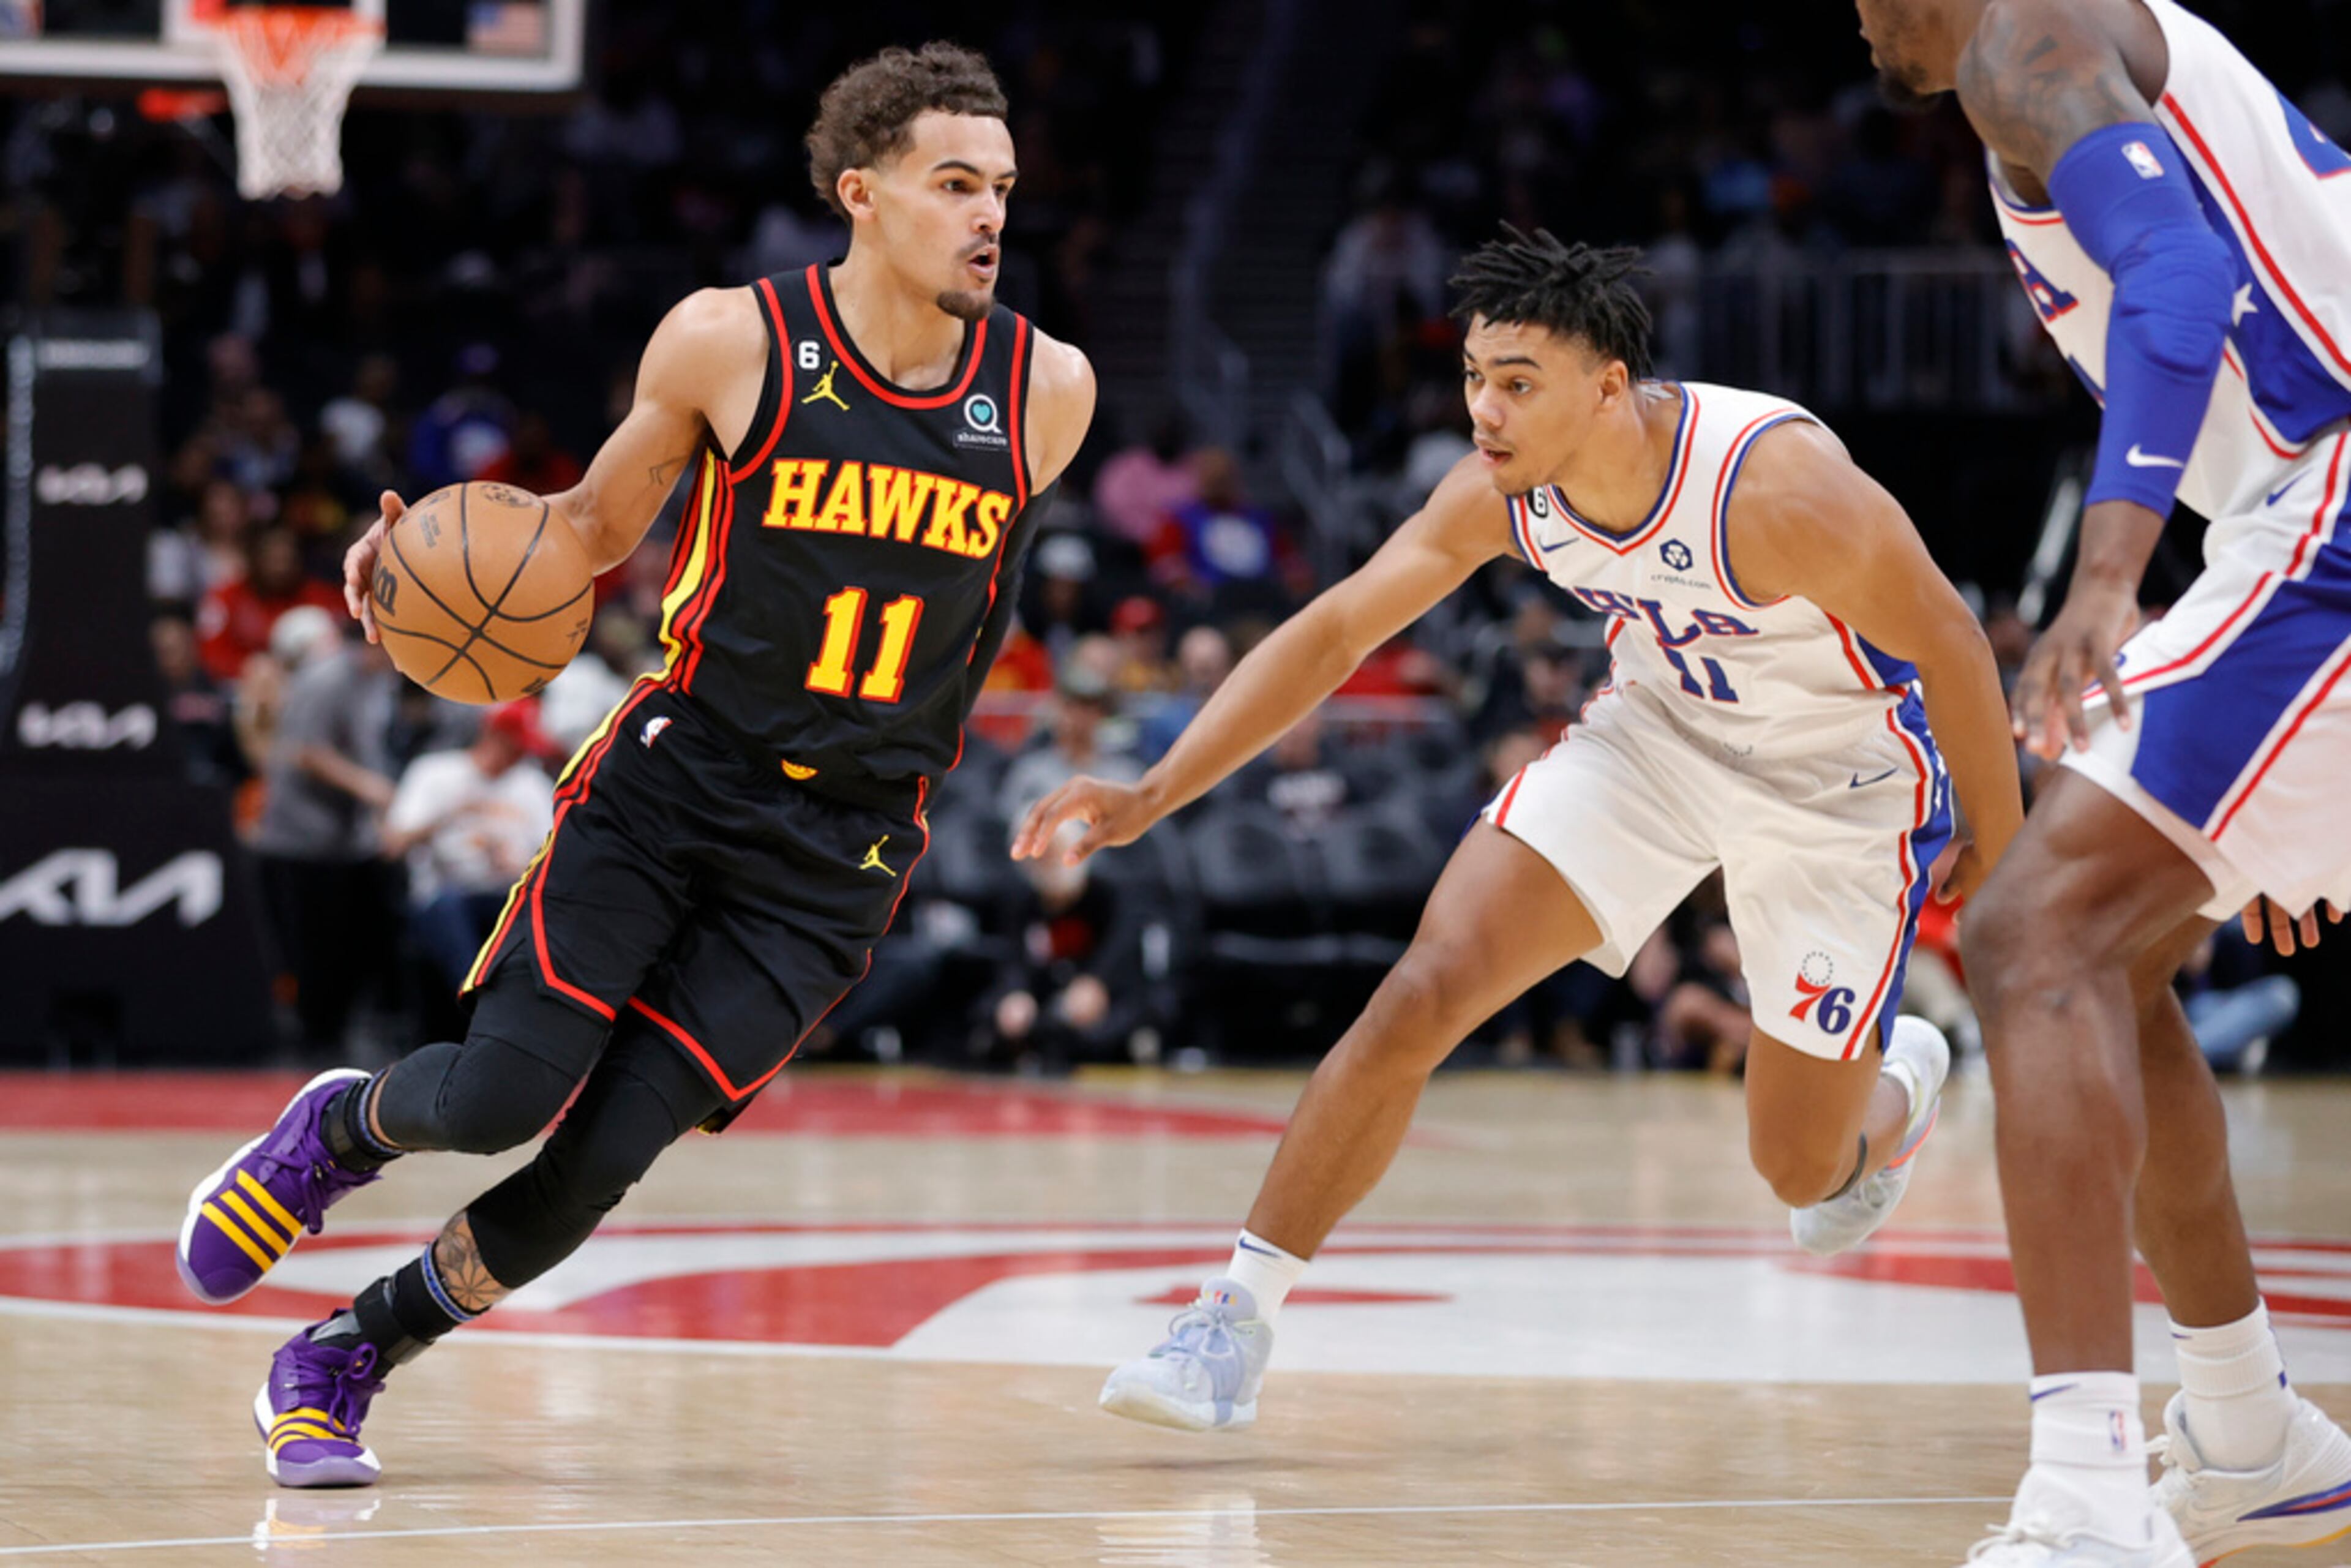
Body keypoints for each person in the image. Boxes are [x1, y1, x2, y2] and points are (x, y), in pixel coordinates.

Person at [173, 41, 1095, 1489]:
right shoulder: (732, 340)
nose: (990, 215)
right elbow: (590, 533)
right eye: (954, 184)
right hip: (675, 779)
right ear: (861, 193)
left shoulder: (1046, 388)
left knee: (600, 1159)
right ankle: (338, 1124)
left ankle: (343, 1350)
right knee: (494, 1098)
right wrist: (419, 560)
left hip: (842, 847)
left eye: (1002, 188)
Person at [1017, 226, 2023, 1431]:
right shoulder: (1502, 494)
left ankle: (1901, 1081)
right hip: (1660, 735)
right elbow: (1338, 631)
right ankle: (1232, 1319)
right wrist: (1153, 787)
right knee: (1422, 988)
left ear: (1609, 386)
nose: (1484, 410)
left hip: (1839, 778)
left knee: (1801, 1173)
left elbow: (1957, 643)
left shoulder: (1777, 488)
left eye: (1518, 381)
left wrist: (2000, 849)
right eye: (1476, 376)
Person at [1855, 1, 2351, 1561]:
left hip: (2327, 500)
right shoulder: (2062, 47)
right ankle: (2248, 1423)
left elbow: (2182, 277)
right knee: (2099, 949)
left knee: (2025, 936)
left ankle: (2084, 1494)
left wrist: (2103, 575)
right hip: (2293, 513)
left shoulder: (2021, 41)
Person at [381, 703, 557, 996]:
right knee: (451, 907)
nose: (520, 756)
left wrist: (521, 866)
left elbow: (556, 859)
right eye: (515, 746)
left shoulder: (532, 783)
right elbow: (392, 846)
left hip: (510, 892)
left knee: (541, 912)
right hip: (445, 893)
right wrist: (450, 814)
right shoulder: (436, 771)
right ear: (492, 735)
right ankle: (475, 1000)